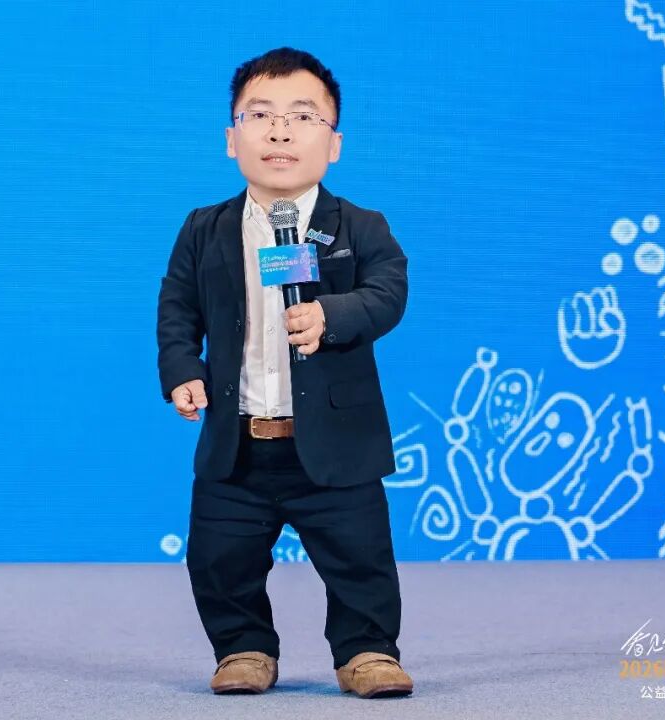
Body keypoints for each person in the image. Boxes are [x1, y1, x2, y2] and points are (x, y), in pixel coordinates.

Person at [156, 47, 412, 699]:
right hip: (239, 442)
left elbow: (388, 292)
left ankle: (367, 651)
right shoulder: (205, 229)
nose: (279, 132)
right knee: (219, 557)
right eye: (260, 115)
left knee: (360, 557)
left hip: (335, 442)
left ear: (334, 144)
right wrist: (182, 368)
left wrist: (332, 313)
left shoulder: (360, 226)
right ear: (231, 139)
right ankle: (242, 647)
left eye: (302, 116)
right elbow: (178, 306)